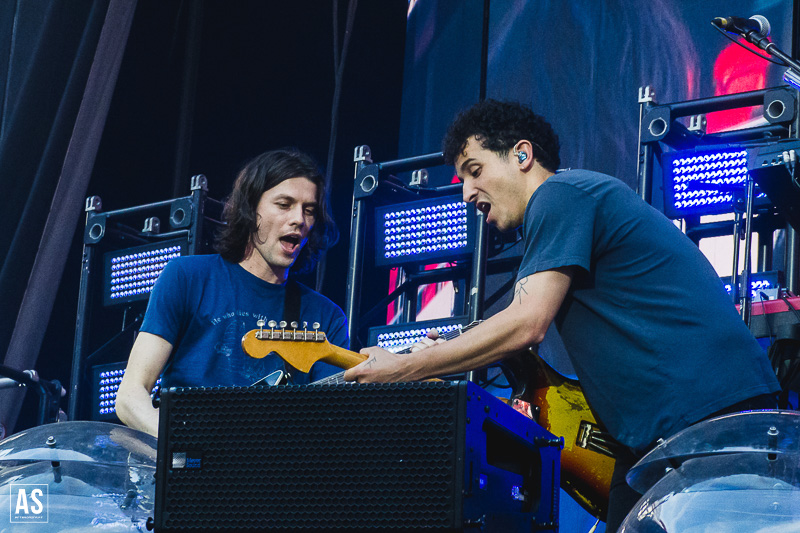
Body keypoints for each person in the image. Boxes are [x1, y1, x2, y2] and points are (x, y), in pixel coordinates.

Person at [343, 100, 780, 531]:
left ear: (522, 154)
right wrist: (448, 354)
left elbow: (526, 322)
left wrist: (404, 366)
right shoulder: (574, 200)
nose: (466, 193)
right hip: (665, 437)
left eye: (474, 171)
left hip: (712, 421)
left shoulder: (559, 194)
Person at [117, 149, 347, 438]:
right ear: (251, 209)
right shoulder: (187, 277)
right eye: (284, 204)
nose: (299, 219)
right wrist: (178, 447)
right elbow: (130, 396)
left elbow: (329, 428)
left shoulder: (325, 317)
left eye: (309, 210)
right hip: (183, 468)